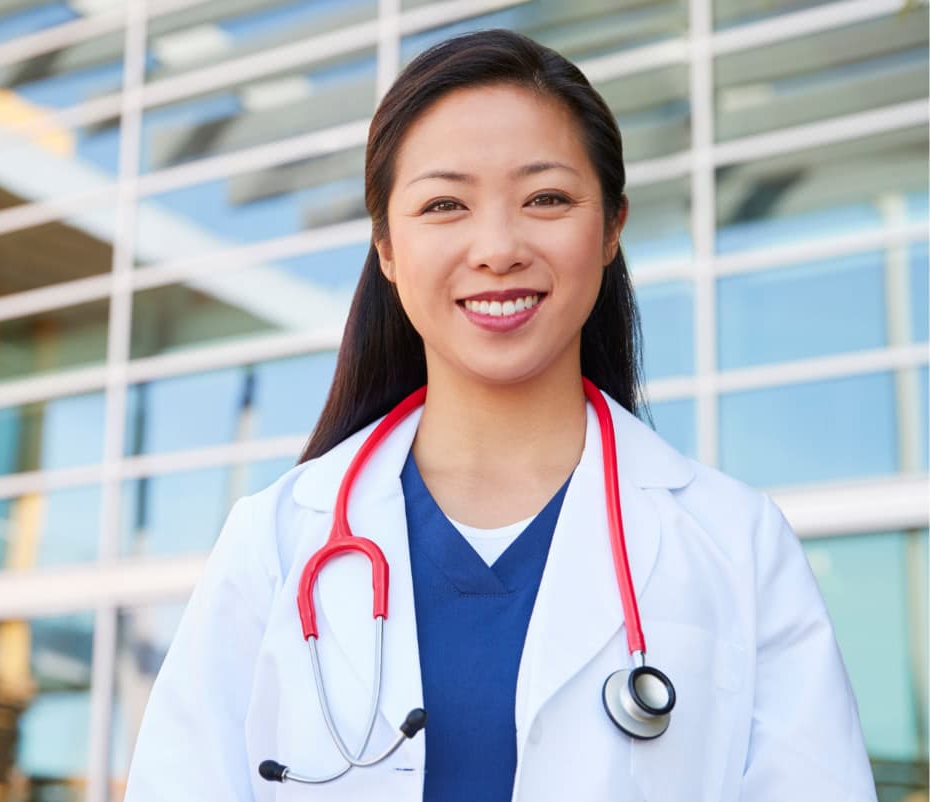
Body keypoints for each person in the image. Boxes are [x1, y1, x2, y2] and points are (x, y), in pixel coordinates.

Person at [122, 28, 874, 802]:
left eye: (546, 198)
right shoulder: (276, 541)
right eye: (444, 204)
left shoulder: (735, 546)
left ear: (611, 226)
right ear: (386, 247)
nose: (497, 247)